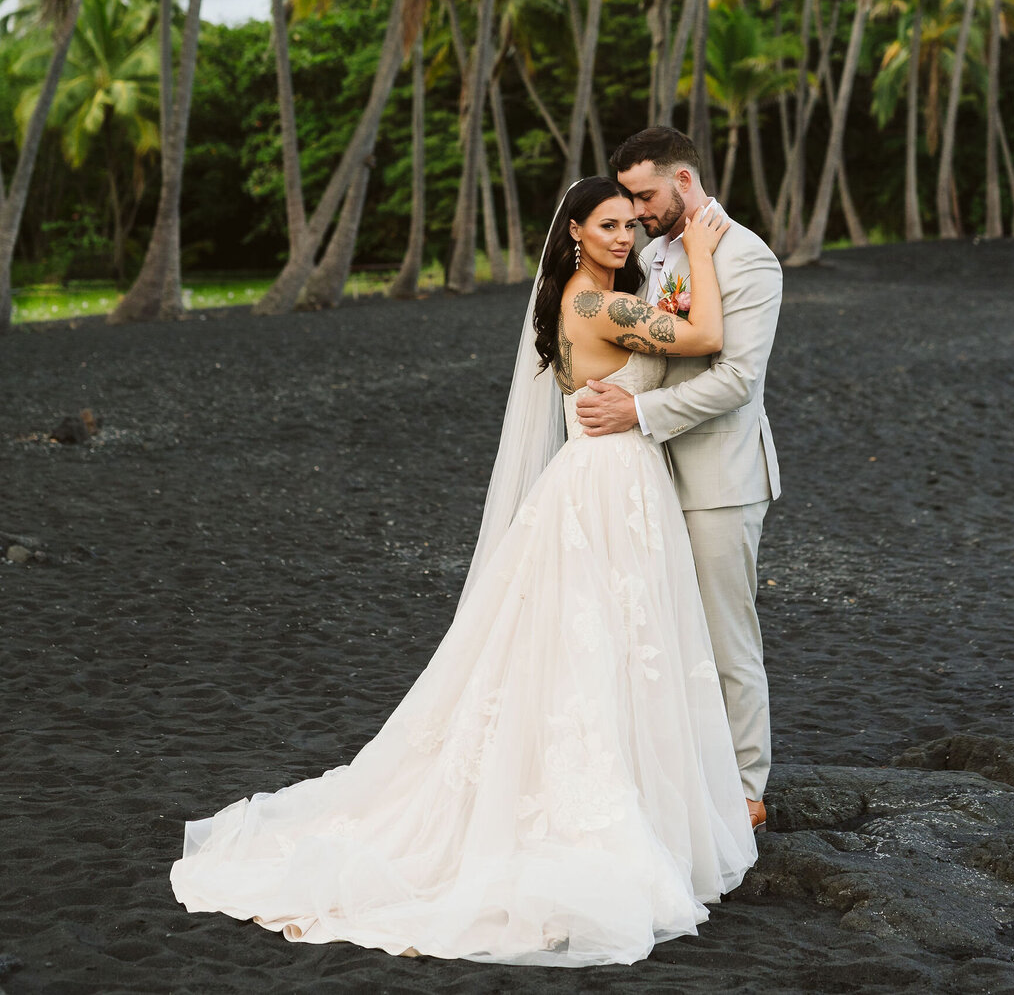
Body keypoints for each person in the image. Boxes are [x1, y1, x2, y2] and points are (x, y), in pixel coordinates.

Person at [169, 177, 756, 967]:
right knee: (592, 647)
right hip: (607, 485)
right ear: (575, 233)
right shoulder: (594, 305)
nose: (623, 236)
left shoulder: (595, 299)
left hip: (623, 484)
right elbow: (708, 337)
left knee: (618, 646)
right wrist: (701, 252)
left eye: (629, 224)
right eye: (608, 225)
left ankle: (640, 800)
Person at [576, 128, 783, 831]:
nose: (634, 210)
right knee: (668, 634)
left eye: (645, 194)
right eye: (625, 197)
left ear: (686, 181)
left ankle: (748, 788)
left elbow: (736, 379)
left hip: (721, 478)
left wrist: (638, 409)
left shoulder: (747, 258)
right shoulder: (654, 253)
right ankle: (689, 775)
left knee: (727, 638)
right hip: (651, 476)